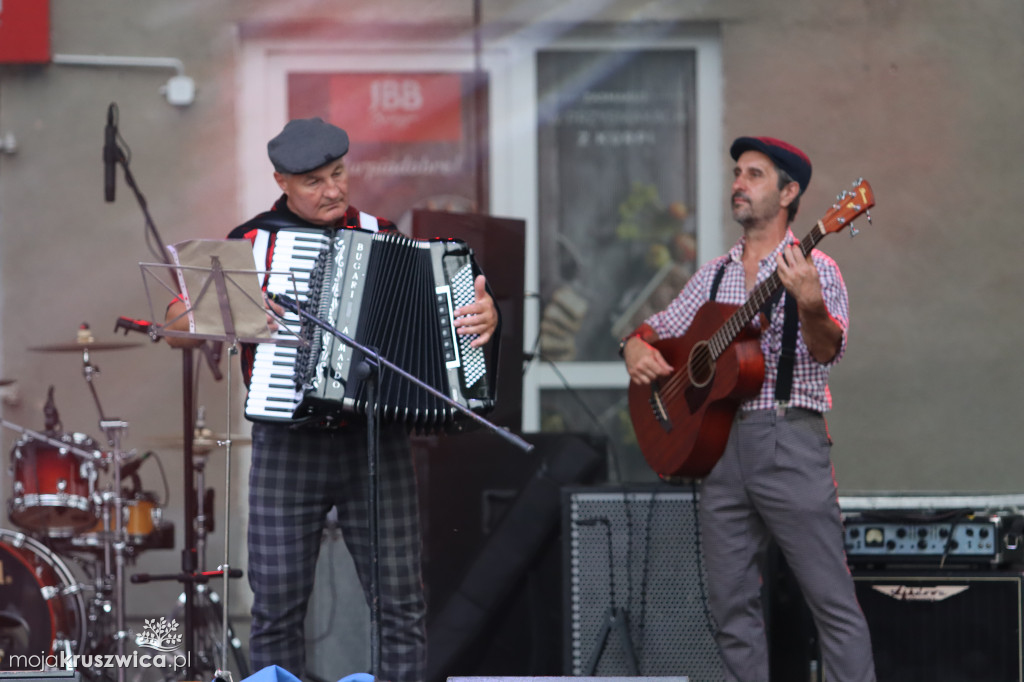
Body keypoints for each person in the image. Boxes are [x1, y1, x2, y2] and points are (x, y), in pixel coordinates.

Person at [166, 117, 498, 682]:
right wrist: (232, 312)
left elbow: (442, 318)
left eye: (339, 174)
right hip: (287, 443)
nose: (334, 190)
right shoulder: (252, 243)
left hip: (375, 441)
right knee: (275, 611)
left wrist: (482, 315)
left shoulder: (384, 232)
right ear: (283, 182)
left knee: (400, 608)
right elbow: (176, 324)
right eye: (315, 181)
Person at [620, 137, 875, 682]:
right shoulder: (714, 274)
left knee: (831, 604)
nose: (738, 183)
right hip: (717, 451)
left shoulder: (817, 267)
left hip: (788, 439)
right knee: (730, 609)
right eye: (737, 173)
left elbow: (829, 349)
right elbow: (659, 328)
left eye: (754, 174)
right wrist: (633, 346)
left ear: (788, 192)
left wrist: (808, 302)